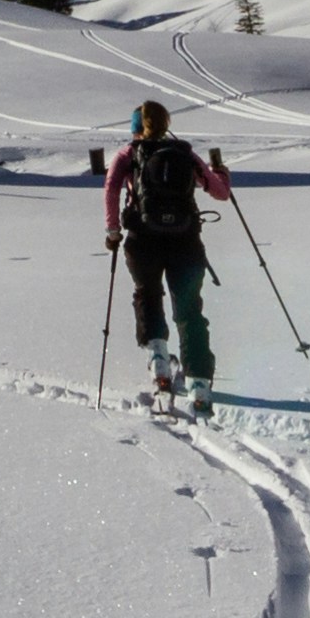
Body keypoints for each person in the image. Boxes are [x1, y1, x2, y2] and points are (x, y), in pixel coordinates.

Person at [103, 100, 229, 411]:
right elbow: (220, 192)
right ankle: (199, 381)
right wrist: (221, 173)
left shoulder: (129, 154)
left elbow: (111, 189)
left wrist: (113, 231)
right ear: (167, 123)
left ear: (135, 128)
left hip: (142, 240)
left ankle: (158, 360)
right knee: (189, 310)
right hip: (185, 241)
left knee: (148, 294)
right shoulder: (184, 154)